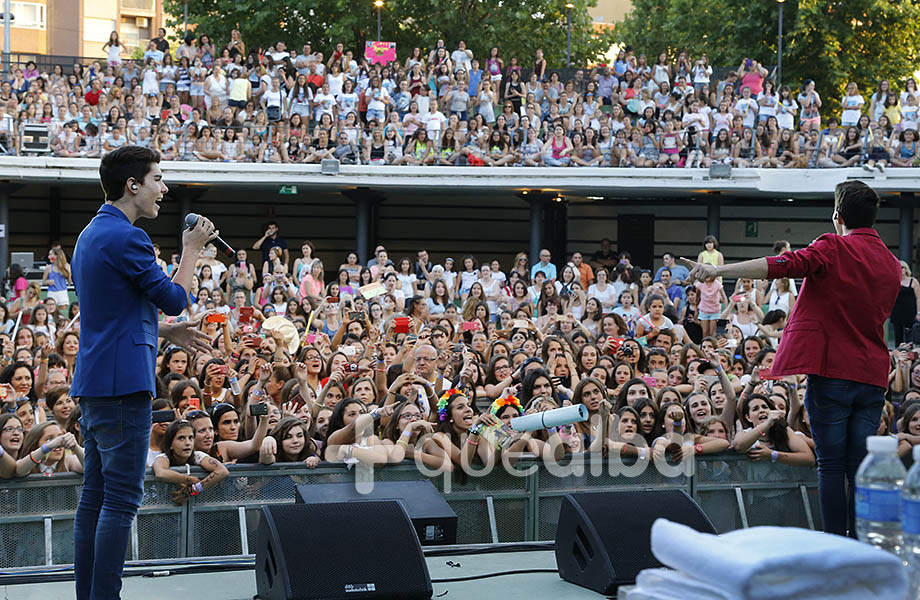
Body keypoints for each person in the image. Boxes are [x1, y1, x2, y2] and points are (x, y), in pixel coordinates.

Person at [683, 180, 900, 539]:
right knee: (859, 467)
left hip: (832, 373)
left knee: (830, 467)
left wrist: (719, 272)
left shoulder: (832, 246)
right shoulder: (892, 264)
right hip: (872, 375)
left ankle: (835, 546)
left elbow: (781, 265)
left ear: (837, 216)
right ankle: (862, 546)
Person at [70, 146, 216, 600]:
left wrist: (165, 332)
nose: (164, 188)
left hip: (97, 382)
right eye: (157, 178)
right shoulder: (128, 237)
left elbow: (115, 311)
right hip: (121, 386)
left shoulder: (92, 233)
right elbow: (174, 296)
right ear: (133, 185)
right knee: (121, 499)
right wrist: (191, 250)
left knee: (95, 497)